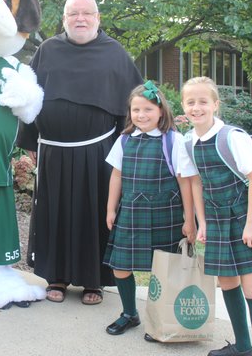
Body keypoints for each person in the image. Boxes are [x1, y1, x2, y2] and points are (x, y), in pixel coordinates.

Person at [17, 0, 143, 304]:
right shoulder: (48, 50)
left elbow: (134, 104)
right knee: (55, 212)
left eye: (87, 13)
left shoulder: (115, 53)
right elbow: (29, 97)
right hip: (54, 152)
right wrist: (31, 140)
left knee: (94, 214)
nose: (80, 19)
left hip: (97, 153)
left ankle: (92, 281)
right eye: (73, 14)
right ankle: (56, 277)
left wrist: (130, 145)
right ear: (64, 20)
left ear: (98, 18)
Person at [178, 76, 252, 356]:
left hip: (244, 218)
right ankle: (243, 347)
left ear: (215, 104)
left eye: (203, 101)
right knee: (227, 281)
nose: (197, 107)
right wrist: (201, 222)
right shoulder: (189, 141)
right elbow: (196, 182)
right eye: (190, 102)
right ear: (183, 105)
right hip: (216, 220)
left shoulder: (231, 137)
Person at [103, 82, 196, 338]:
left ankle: (161, 319)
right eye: (136, 110)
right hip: (132, 212)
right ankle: (129, 313)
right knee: (120, 266)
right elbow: (117, 176)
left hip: (166, 213)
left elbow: (185, 182)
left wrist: (190, 220)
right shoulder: (124, 140)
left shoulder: (173, 140)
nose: (141, 115)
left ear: (161, 111)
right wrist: (111, 209)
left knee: (164, 269)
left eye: (147, 109)